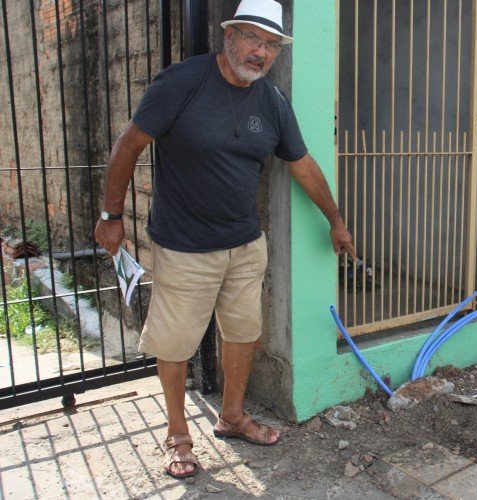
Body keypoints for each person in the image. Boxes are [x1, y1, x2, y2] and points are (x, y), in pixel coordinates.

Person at [94, 0, 355, 479]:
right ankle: (178, 435)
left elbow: (303, 165)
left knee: (243, 335)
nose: (261, 51)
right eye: (253, 38)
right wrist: (111, 215)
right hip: (182, 246)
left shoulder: (273, 103)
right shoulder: (181, 83)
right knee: (174, 343)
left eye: (272, 44)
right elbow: (128, 145)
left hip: (244, 245)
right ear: (229, 35)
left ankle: (232, 417)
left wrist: (336, 221)